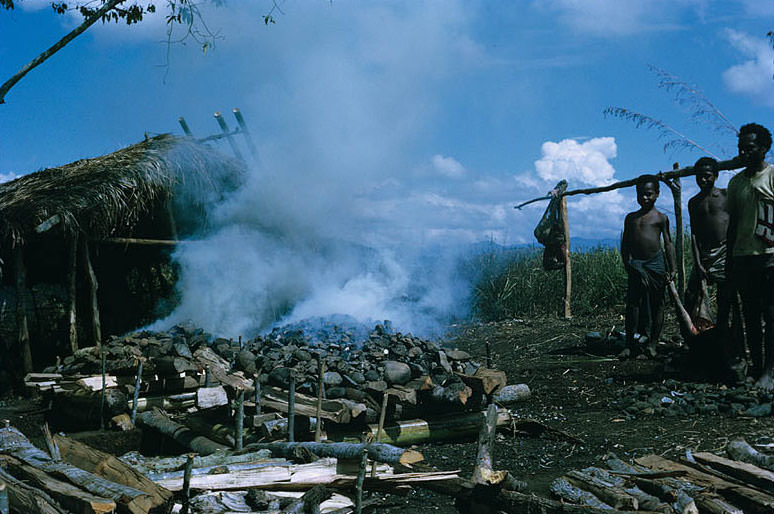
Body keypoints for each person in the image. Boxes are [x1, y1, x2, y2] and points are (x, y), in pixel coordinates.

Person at [685, 157, 745, 379]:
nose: (703, 179)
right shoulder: (694, 202)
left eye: (708, 175)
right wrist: (698, 261)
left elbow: (734, 225)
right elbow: (692, 233)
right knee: (691, 295)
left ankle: (728, 344)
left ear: (716, 175)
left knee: (726, 298)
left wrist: (732, 254)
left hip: (724, 251)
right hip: (704, 253)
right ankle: (696, 343)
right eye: (700, 175)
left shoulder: (726, 196)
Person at [727, 123, 774, 390]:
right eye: (741, 148)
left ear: (764, 149)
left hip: (769, 256)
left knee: (771, 314)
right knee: (751, 316)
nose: (744, 153)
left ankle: (770, 371)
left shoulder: (771, 177)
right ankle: (756, 367)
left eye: (750, 148)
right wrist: (730, 259)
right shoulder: (736, 183)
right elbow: (733, 223)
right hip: (743, 256)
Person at [621, 175, 676, 358]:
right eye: (640, 194)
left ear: (657, 194)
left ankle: (652, 344)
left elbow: (668, 243)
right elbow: (625, 243)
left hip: (656, 264)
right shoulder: (630, 218)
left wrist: (672, 267)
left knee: (657, 304)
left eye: (648, 194)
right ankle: (629, 344)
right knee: (633, 304)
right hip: (636, 265)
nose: (644, 198)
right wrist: (627, 262)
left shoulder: (661, 218)